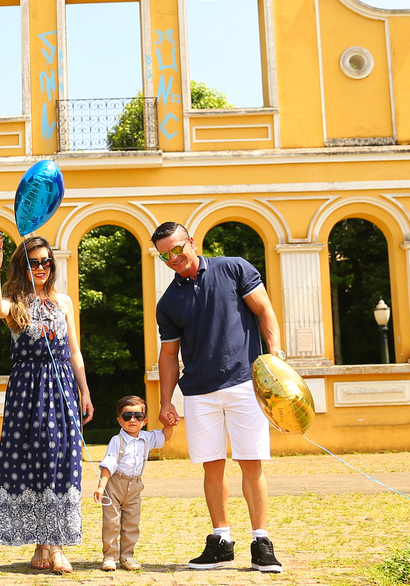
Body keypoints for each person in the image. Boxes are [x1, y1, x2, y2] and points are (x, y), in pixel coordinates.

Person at [152, 221, 284, 573]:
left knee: (251, 463)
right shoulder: (168, 302)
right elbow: (168, 356)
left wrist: (276, 358)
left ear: (191, 242)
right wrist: (166, 402)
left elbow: (264, 310)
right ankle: (221, 541)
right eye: (165, 255)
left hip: (245, 382)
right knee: (212, 467)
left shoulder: (234, 268)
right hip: (198, 393)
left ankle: (262, 542)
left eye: (178, 249)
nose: (174, 258)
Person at [0, 233, 93, 574]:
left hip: (60, 384)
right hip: (25, 390)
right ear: (23, 265)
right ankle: (40, 545)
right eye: (34, 262)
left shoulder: (64, 302)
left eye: (47, 261)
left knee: (59, 458)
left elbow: (74, 352)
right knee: (31, 460)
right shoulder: (14, 302)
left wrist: (85, 391)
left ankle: (58, 546)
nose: (42, 267)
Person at [92, 395, 174, 571]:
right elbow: (109, 464)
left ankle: (127, 556)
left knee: (131, 523)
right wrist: (101, 486)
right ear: (120, 420)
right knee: (111, 522)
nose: (133, 420)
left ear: (144, 421)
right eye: (127, 416)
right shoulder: (117, 440)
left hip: (135, 486)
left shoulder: (147, 438)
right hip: (115, 485)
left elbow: (165, 436)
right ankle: (110, 556)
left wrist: (169, 423)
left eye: (138, 416)